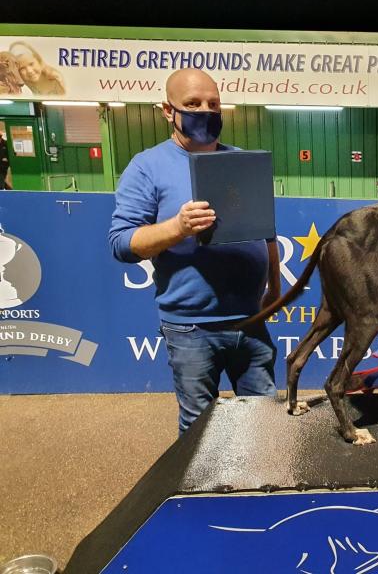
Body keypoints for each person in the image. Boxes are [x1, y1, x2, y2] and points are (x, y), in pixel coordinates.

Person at [109, 68, 281, 434]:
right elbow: (122, 243)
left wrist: (276, 289)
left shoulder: (241, 162)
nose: (205, 110)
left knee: (265, 423)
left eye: (213, 103)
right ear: (167, 111)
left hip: (250, 322)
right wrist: (177, 227)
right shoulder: (146, 167)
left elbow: (267, 232)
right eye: (192, 104)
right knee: (199, 429)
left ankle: (260, 491)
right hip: (191, 329)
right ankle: (203, 494)